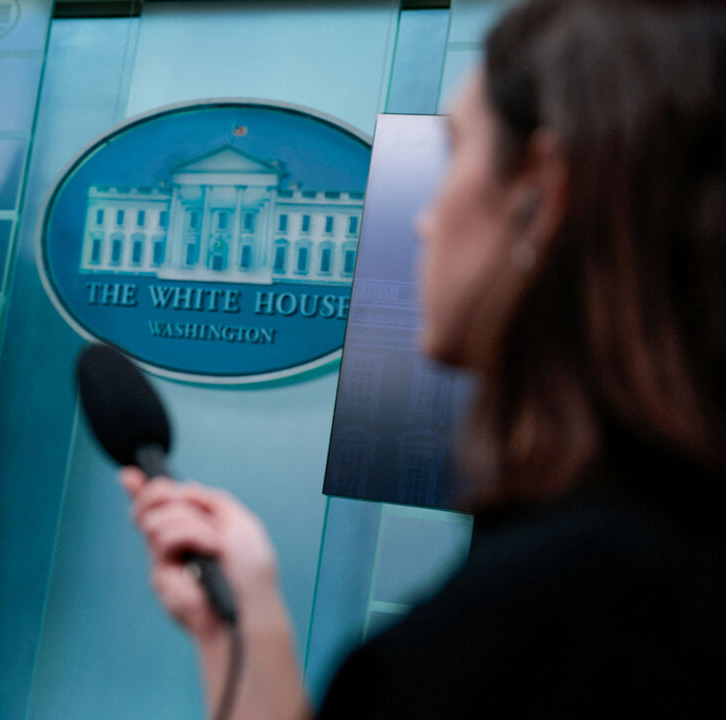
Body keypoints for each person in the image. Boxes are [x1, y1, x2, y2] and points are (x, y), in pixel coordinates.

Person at [123, 0, 726, 717]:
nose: (424, 215)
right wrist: (243, 625)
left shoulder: (551, 617)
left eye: (454, 153)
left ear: (543, 187)